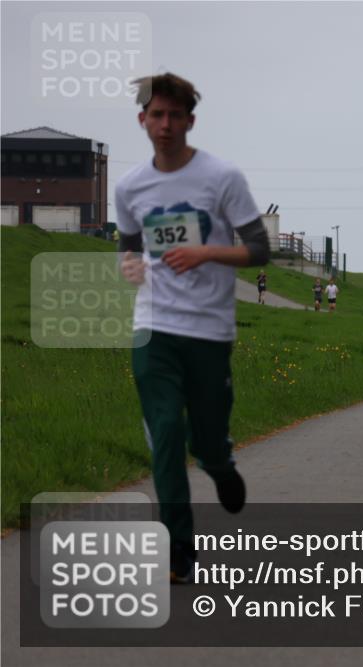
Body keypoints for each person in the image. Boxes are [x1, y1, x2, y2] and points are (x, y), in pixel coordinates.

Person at [116, 72, 269, 583]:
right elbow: (129, 243)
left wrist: (206, 251)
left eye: (174, 115)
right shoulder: (130, 186)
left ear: (190, 121)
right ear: (143, 120)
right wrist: (130, 265)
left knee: (204, 439)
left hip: (209, 329)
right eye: (156, 115)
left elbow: (259, 248)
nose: (164, 124)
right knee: (165, 433)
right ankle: (179, 545)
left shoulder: (221, 178)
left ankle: (220, 466)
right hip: (154, 325)